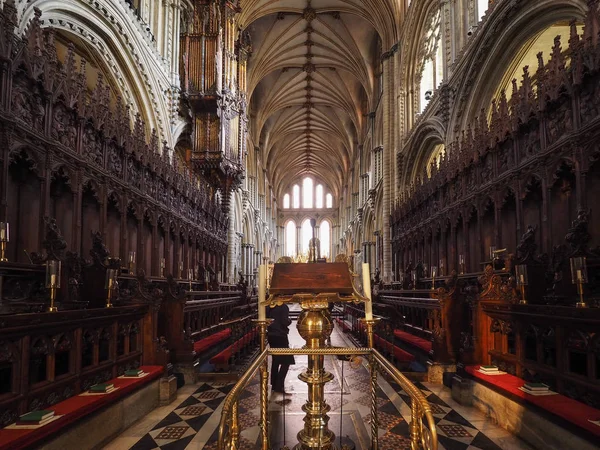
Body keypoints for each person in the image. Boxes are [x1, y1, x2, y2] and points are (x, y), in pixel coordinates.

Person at [267, 303, 295, 394]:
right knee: (287, 361)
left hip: (271, 336)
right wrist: (289, 321)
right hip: (280, 335)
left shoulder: (267, 306)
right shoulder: (283, 307)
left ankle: (274, 385)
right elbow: (284, 321)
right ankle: (279, 385)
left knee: (275, 360)